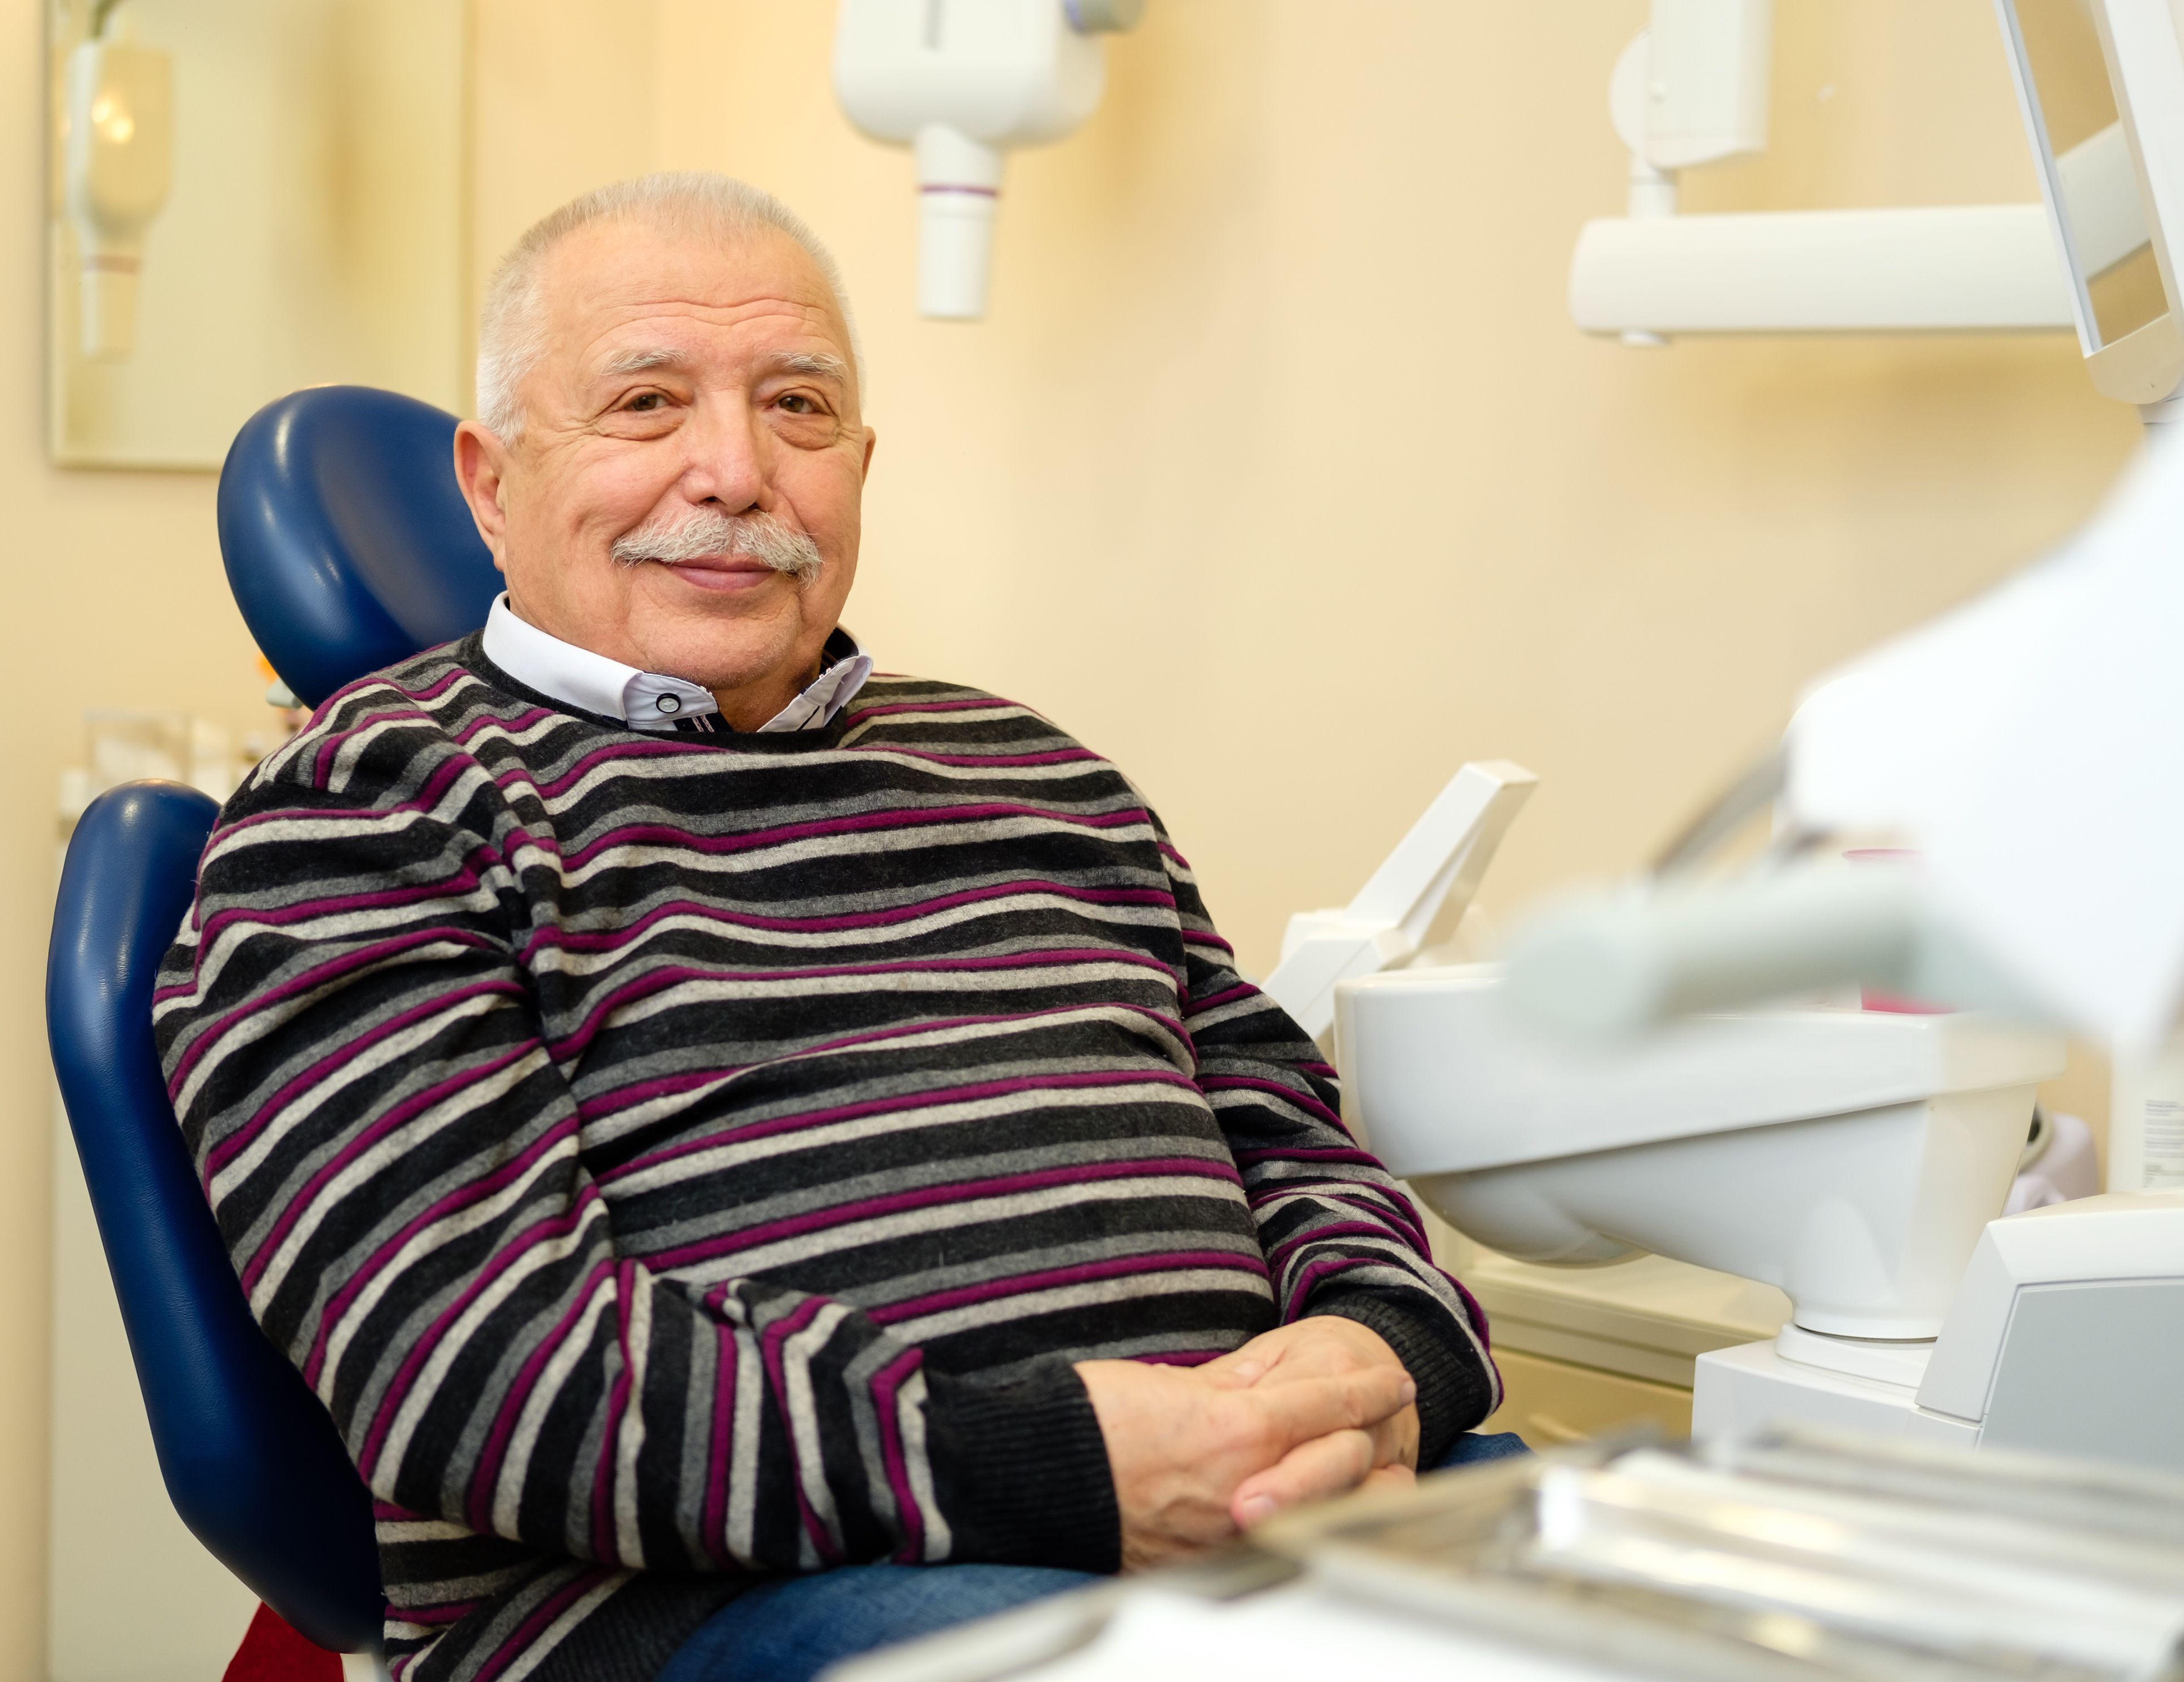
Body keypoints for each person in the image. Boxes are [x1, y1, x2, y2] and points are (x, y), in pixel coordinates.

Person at [158, 173, 1506, 1682]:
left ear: (857, 466)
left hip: (1265, 1507)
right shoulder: (367, 809)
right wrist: (1071, 1470)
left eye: (796, 408)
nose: (733, 472)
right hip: (718, 1610)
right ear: (490, 481)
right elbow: (482, 1376)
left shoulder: (1036, 771)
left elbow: (1299, 1150)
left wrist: (1385, 1356)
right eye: (647, 404)